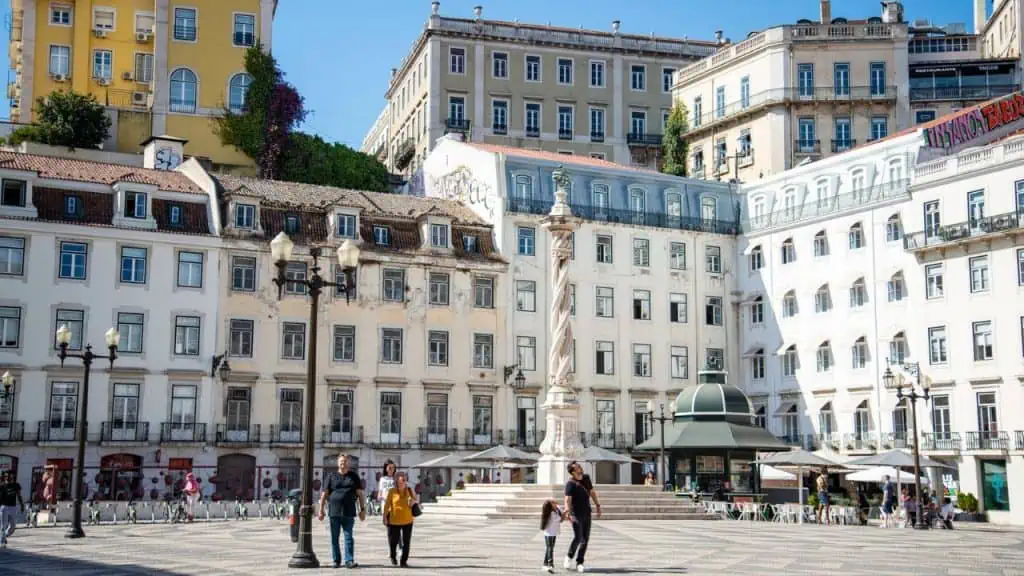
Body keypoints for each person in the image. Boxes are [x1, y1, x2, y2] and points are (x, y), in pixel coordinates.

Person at [318, 454, 367, 569]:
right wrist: (321, 510)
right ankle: (336, 560)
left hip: (349, 512)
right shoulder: (331, 476)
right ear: (337, 463)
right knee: (334, 538)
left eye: (345, 461)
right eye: (341, 461)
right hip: (334, 512)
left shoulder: (354, 476)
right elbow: (324, 494)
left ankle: (349, 560)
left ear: (348, 463)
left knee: (348, 537)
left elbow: (360, 494)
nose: (343, 463)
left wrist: (362, 510)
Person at [563, 462, 601, 573]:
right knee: (578, 537)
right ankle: (569, 557)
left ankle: (580, 562)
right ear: (573, 472)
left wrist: (598, 505)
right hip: (576, 514)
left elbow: (592, 492)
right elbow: (567, 500)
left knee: (585, 538)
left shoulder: (586, 478)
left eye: (579, 466)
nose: (580, 467)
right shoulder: (570, 484)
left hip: (586, 512)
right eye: (578, 467)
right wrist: (567, 512)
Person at [383, 471, 418, 568]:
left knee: (407, 542)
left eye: (404, 479)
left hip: (408, 520)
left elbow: (415, 501)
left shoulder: (410, 490)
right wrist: (385, 517)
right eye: (401, 478)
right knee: (393, 541)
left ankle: (404, 561)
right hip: (394, 520)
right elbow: (387, 505)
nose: (403, 480)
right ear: (396, 480)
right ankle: (393, 557)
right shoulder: (392, 491)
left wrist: (413, 501)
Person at [540, 498, 566, 573]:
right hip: (549, 533)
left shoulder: (556, 509)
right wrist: (565, 513)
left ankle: (545, 564)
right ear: (551, 505)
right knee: (550, 548)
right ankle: (550, 565)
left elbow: (561, 513)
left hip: (553, 532)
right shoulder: (551, 514)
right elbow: (561, 519)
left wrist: (564, 512)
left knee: (549, 548)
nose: (556, 503)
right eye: (553, 502)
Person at [0, 471, 24, 548]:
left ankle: (4, 536)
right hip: (4, 507)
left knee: (13, 527)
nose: (7, 477)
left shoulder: (16, 485)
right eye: (6, 476)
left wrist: (22, 505)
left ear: (12, 476)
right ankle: (2, 541)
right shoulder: (2, 485)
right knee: (3, 525)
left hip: (13, 507)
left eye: (9, 476)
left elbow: (19, 495)